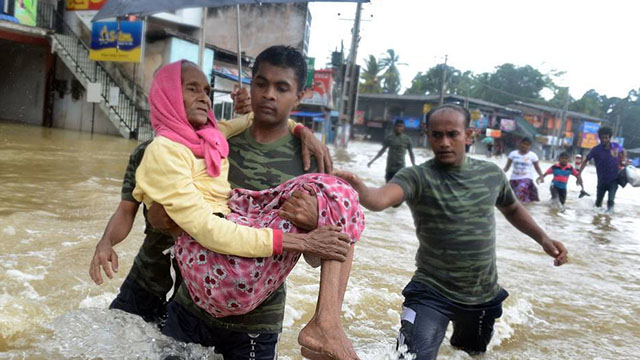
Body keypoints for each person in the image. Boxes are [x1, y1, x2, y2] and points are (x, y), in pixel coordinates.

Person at [147, 46, 364, 360]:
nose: (269, 95)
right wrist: (171, 212)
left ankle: (327, 324)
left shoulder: (310, 163)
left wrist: (312, 221)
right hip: (189, 306)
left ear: (299, 97)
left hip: (257, 321)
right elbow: (157, 219)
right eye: (261, 84)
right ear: (250, 85)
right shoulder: (215, 141)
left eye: (282, 88)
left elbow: (319, 257)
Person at [88, 60, 335, 325]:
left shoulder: (217, 143)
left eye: (206, 91)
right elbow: (126, 211)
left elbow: (260, 119)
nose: (203, 98)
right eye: (192, 89)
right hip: (150, 277)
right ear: (167, 95)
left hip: (200, 290)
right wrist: (106, 242)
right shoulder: (151, 152)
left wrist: (301, 130)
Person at [334, 104, 568, 360]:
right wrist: (358, 186)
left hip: (482, 296)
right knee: (411, 358)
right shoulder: (417, 177)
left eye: (452, 134)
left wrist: (543, 238)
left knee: (469, 355)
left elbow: (512, 209)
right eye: (437, 135)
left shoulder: (491, 174)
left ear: (469, 136)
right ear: (428, 135)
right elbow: (379, 199)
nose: (444, 142)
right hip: (430, 292)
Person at [577, 126, 626, 213]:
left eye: (606, 138)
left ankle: (607, 222)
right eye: (602, 138)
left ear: (610, 138)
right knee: (598, 205)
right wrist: (579, 174)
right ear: (599, 138)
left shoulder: (615, 146)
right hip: (601, 181)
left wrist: (623, 161)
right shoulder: (596, 150)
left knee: (610, 201)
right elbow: (585, 161)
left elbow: (623, 152)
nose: (604, 140)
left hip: (614, 180)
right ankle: (597, 220)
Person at [503, 137, 543, 203]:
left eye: (527, 144)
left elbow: (537, 167)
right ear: (520, 144)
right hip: (514, 179)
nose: (524, 146)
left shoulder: (533, 155)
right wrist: (499, 174)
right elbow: (507, 167)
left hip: (526, 178)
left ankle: (520, 210)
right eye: (523, 143)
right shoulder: (513, 154)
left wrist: (541, 176)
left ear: (530, 146)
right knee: (512, 197)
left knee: (520, 192)